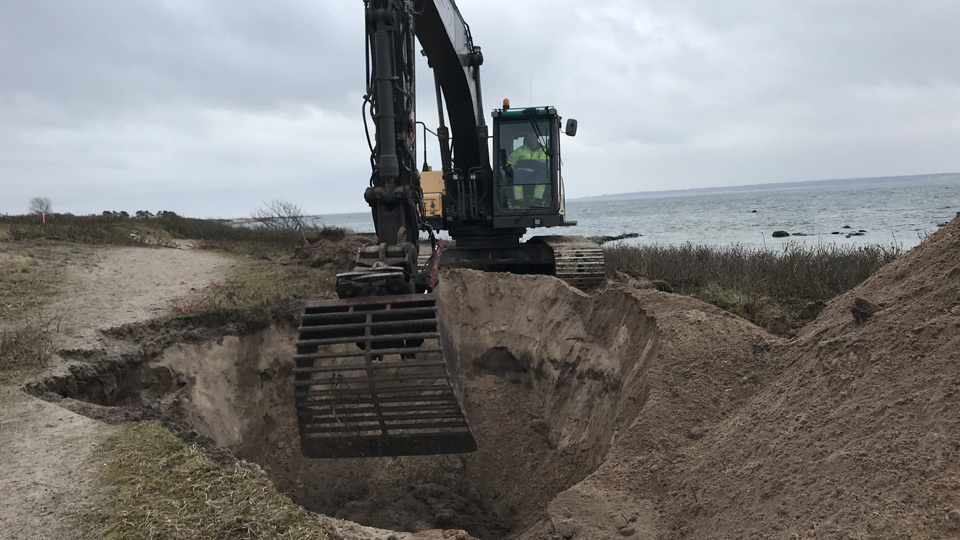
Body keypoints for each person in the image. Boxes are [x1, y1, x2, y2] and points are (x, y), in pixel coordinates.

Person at [504, 133, 548, 206]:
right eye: (529, 138)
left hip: (539, 173)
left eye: (533, 138)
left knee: (543, 175)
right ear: (527, 140)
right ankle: (518, 200)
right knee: (516, 175)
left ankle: (537, 199)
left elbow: (550, 165)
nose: (531, 140)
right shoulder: (520, 150)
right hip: (523, 173)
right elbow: (510, 161)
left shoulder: (545, 151)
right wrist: (508, 166)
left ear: (537, 138)